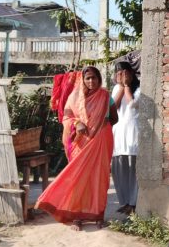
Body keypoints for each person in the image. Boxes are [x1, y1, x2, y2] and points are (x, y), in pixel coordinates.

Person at [36, 66, 118, 229]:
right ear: (83, 80)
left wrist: (100, 126)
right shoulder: (74, 97)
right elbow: (67, 117)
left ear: (99, 79)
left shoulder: (105, 96)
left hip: (101, 140)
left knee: (99, 178)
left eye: (94, 78)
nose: (91, 81)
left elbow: (115, 118)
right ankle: (76, 217)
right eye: (88, 78)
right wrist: (77, 123)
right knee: (78, 178)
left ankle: (98, 216)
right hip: (81, 142)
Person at [110, 61, 139, 215]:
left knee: (133, 170)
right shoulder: (116, 88)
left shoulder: (139, 88)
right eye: (118, 73)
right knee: (119, 170)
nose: (121, 76)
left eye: (124, 73)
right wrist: (121, 86)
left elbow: (132, 104)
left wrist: (127, 86)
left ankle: (133, 203)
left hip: (133, 134)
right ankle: (125, 202)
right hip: (118, 135)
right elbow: (113, 107)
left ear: (131, 73)